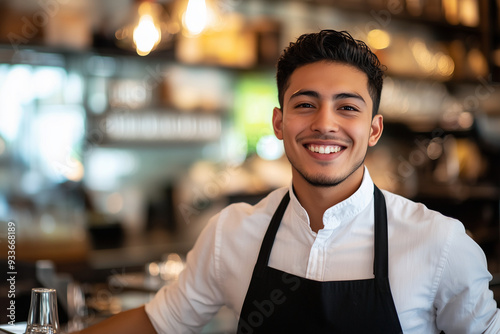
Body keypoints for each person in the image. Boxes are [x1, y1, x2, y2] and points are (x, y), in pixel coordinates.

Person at [73, 29, 500, 334]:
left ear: (374, 129)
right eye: (305, 104)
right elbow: (156, 322)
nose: (324, 124)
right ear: (279, 122)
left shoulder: (438, 242)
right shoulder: (233, 232)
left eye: (347, 108)